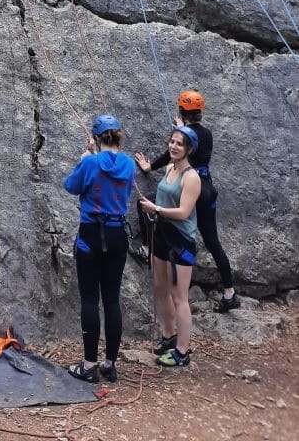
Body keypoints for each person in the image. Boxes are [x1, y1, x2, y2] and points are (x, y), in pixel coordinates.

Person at [135, 89, 240, 312]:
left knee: (149, 206)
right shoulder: (207, 133)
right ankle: (229, 292)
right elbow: (195, 141)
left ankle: (148, 248)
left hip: (191, 189)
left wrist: (149, 166)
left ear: (182, 110)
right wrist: (182, 127)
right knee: (213, 242)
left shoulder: (185, 135)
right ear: (199, 112)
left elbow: (171, 155)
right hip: (207, 190)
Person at [63, 114, 136, 384]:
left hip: (91, 233)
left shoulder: (91, 162)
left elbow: (71, 186)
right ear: (118, 136)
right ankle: (110, 364)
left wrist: (83, 161)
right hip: (117, 234)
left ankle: (89, 365)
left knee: (90, 299)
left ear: (96, 137)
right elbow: (121, 185)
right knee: (112, 299)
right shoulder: (128, 164)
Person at [138, 126, 201, 369]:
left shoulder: (191, 177)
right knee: (160, 287)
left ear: (189, 149)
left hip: (181, 241)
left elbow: (184, 213)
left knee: (179, 296)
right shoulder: (169, 168)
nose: (173, 146)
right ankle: (168, 335)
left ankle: (182, 351)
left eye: (179, 144)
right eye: (172, 142)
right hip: (162, 235)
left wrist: (156, 209)